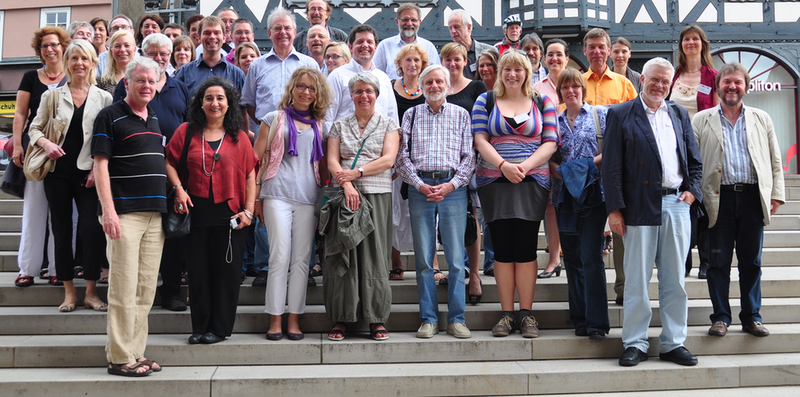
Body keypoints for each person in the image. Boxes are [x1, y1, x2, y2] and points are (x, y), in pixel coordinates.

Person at [603, 57, 702, 367]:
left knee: (675, 280)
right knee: (636, 280)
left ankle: (674, 343)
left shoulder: (678, 114)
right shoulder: (621, 114)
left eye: (665, 80)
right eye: (654, 79)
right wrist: (615, 210)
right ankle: (635, 342)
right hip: (637, 206)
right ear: (642, 79)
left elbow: (694, 161)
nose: (660, 85)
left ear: (671, 83)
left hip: (676, 204)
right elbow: (611, 166)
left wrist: (692, 193)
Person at [693, 62, 785, 338]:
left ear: (746, 86)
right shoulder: (701, 119)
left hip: (752, 200)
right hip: (717, 201)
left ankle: (752, 317)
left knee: (751, 262)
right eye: (727, 82)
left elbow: (775, 159)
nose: (732, 87)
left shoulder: (762, 118)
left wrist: (777, 193)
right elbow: (693, 163)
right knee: (717, 263)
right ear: (718, 86)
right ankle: (720, 317)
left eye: (737, 82)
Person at [472, 50, 558, 338]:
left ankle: (526, 314)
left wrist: (523, 166)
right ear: (500, 72)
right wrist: (503, 165)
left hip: (532, 181)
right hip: (493, 181)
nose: (512, 74)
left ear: (527, 72)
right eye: (506, 69)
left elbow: (550, 142)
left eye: (518, 69)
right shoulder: (485, 100)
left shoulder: (541, 100)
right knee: (502, 248)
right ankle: (507, 314)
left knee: (525, 246)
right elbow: (480, 139)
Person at [166, 77, 257, 345]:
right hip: (195, 214)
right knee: (198, 273)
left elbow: (251, 175)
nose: (214, 103)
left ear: (229, 104)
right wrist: (179, 189)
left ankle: (219, 328)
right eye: (209, 98)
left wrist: (249, 211)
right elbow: (169, 163)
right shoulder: (185, 131)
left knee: (226, 274)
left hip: (230, 216)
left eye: (220, 98)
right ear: (200, 103)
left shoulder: (239, 137)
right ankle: (200, 327)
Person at [92, 57, 168, 377]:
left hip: (155, 217)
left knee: (145, 289)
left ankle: (136, 351)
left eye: (152, 81)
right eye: (141, 81)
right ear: (128, 83)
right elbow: (100, 166)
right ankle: (120, 357)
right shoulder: (109, 116)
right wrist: (108, 211)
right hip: (124, 214)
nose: (147, 86)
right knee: (123, 288)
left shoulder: (154, 119)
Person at [28, 40, 112, 311]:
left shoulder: (104, 98)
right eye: (74, 58)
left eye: (84, 59)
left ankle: (90, 291)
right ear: (67, 62)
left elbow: (106, 139)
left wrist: (95, 170)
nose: (79, 63)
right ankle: (68, 292)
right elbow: (34, 129)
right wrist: (46, 144)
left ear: (92, 63)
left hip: (89, 175)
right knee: (62, 231)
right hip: (58, 174)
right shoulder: (52, 95)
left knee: (91, 229)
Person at [112, 33, 192, 312]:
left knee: (171, 236)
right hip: (135, 174)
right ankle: (133, 295)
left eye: (164, 54)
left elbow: (188, 127)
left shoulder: (179, 87)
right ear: (142, 54)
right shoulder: (131, 84)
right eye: (153, 53)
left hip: (171, 174)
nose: (159, 58)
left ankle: (170, 292)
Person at [397, 64, 475, 339]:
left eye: (439, 81)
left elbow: (469, 157)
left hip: (453, 188)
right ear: (421, 86)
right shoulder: (411, 114)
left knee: (455, 260)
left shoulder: (461, 115)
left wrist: (452, 184)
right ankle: (428, 318)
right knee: (423, 259)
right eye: (428, 82)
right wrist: (420, 184)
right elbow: (402, 157)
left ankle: (457, 319)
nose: (434, 86)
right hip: (420, 188)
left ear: (448, 86)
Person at [253, 67, 331, 341]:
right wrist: (256, 198)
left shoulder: (321, 125)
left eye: (312, 88)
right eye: (301, 86)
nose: (306, 92)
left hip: (308, 197)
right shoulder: (273, 118)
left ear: (318, 93)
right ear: (292, 88)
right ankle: (275, 319)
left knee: (300, 261)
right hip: (276, 194)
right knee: (279, 257)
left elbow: (325, 168)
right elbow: (254, 160)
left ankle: (294, 319)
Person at [323, 72, 399, 341]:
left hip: (376, 193)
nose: (363, 95)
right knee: (344, 252)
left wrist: (356, 174)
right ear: (351, 95)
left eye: (369, 91)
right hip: (346, 195)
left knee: (375, 255)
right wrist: (346, 184)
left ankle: (376, 318)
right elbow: (332, 161)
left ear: (376, 94)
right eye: (358, 91)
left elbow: (389, 159)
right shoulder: (339, 126)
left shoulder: (389, 124)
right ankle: (342, 317)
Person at [551, 68, 609, 339]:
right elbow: (546, 152)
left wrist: (582, 168)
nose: (570, 91)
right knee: (572, 258)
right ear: (560, 91)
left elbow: (610, 149)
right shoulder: (554, 120)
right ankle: (580, 318)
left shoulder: (600, 116)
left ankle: (597, 323)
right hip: (564, 197)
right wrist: (561, 171)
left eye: (575, 86)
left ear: (582, 89)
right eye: (565, 87)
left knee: (591, 257)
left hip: (594, 196)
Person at [582, 27, 637, 305]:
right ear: (584, 51)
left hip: (617, 167)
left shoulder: (624, 84)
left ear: (608, 49)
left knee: (621, 228)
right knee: (588, 232)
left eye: (601, 46)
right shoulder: (577, 82)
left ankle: (624, 289)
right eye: (591, 47)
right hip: (586, 168)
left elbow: (634, 125)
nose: (597, 51)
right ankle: (589, 294)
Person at [11, 26, 68, 288]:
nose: (50, 49)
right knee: (34, 210)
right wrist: (18, 145)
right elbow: (21, 114)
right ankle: (27, 268)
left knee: (62, 212)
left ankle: (58, 268)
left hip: (67, 150)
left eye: (54, 44)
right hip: (36, 148)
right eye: (45, 46)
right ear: (40, 50)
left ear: (63, 46)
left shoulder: (73, 74)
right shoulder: (30, 77)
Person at [670, 24, 719, 279]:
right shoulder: (674, 74)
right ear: (681, 45)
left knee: (704, 201)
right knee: (682, 202)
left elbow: (719, 114)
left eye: (695, 39)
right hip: (677, 149)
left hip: (704, 147)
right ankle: (685, 260)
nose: (691, 43)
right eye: (686, 39)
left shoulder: (712, 76)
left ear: (703, 44)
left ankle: (706, 262)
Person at [441, 42, 487, 299]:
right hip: (444, 164)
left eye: (457, 59)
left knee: (472, 221)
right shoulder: (436, 86)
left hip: (471, 163)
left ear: (464, 61)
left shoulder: (477, 87)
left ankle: (475, 276)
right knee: (448, 223)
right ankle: (456, 271)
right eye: (447, 59)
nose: (452, 64)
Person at [389, 43, 429, 281]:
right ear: (400, 64)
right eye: (408, 60)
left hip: (423, 158)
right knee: (396, 211)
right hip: (395, 157)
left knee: (423, 212)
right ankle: (396, 263)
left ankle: (430, 262)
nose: (412, 65)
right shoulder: (390, 88)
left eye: (417, 61)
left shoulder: (429, 87)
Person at [242, 7, 319, 129]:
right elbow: (250, 102)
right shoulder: (257, 66)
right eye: (277, 28)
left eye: (287, 28)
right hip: (266, 131)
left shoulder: (310, 64)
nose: (283, 32)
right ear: (269, 33)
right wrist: (264, 124)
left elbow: (318, 99)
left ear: (294, 32)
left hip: (301, 129)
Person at [533, 38, 570, 279]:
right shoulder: (536, 87)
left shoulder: (577, 83)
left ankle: (573, 253)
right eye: (550, 54)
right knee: (550, 206)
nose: (554, 58)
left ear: (567, 58)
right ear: (545, 59)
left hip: (573, 152)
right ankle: (554, 258)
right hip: (547, 151)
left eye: (559, 54)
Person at [327, 25, 398, 123]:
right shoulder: (337, 76)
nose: (365, 45)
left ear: (376, 47)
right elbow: (328, 117)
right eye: (360, 42)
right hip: (346, 137)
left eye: (369, 42)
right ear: (351, 47)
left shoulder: (384, 78)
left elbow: (392, 116)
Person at [175, 16, 245, 95]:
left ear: (224, 38)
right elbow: (176, 105)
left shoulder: (237, 74)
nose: (212, 37)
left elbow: (243, 106)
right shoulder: (184, 72)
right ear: (199, 37)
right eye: (207, 33)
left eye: (216, 33)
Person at [374, 3, 441, 80]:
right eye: (405, 19)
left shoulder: (429, 47)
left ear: (419, 22)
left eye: (413, 20)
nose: (409, 24)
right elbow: (376, 75)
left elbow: (437, 75)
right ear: (397, 21)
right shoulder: (385, 46)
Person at [448, 9, 494, 80]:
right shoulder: (444, 57)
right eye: (450, 28)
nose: (453, 31)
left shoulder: (490, 51)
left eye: (457, 27)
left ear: (469, 27)